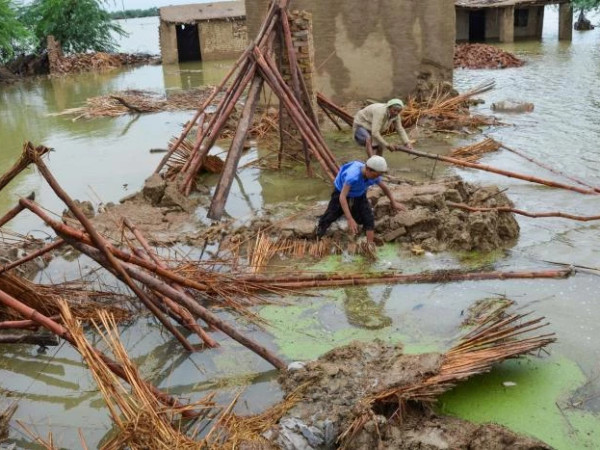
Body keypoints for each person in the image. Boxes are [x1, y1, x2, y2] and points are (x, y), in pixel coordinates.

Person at [315, 155, 406, 244]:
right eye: (374, 175)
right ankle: (317, 237)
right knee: (330, 215)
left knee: (368, 218)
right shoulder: (352, 176)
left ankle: (370, 245)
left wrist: (393, 202)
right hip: (341, 191)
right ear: (367, 169)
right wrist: (349, 218)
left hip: (359, 193)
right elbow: (342, 197)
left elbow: (384, 187)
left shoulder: (374, 175)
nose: (376, 178)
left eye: (378, 176)